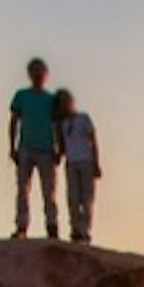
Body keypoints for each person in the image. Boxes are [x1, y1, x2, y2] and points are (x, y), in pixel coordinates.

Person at [8, 57, 64, 239]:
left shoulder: (50, 99)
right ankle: (21, 226)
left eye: (41, 73)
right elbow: (14, 121)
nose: (38, 76)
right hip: (26, 146)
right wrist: (12, 147)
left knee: (49, 190)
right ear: (29, 74)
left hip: (46, 148)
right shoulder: (22, 96)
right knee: (22, 189)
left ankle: (52, 225)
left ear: (46, 75)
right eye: (35, 72)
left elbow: (57, 124)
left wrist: (59, 148)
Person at [57, 87, 102, 243]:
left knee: (87, 198)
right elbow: (62, 146)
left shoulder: (83, 118)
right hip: (71, 163)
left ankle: (84, 230)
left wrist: (96, 162)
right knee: (73, 198)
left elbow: (93, 140)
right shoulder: (62, 124)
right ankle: (75, 229)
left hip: (86, 161)